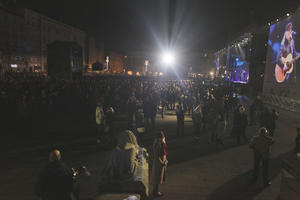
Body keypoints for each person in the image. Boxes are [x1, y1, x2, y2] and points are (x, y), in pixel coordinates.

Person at [151, 131, 168, 197]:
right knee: (157, 178)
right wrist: (162, 162)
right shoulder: (157, 144)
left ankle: (155, 191)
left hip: (161, 162)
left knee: (158, 178)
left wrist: (165, 160)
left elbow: (164, 152)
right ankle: (155, 192)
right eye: (162, 137)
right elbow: (157, 155)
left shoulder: (160, 143)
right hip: (158, 162)